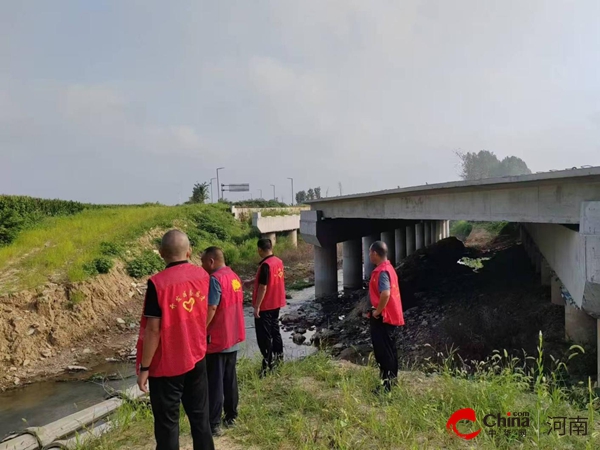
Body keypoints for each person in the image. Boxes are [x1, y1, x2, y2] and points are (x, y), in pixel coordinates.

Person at [136, 230, 214, 450]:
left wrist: (145, 368)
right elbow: (207, 308)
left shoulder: (157, 284)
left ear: (161, 253)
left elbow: (153, 330)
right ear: (189, 252)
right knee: (200, 418)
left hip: (166, 366)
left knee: (168, 425)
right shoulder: (202, 276)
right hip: (197, 357)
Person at [201, 246, 246, 436]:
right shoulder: (234, 277)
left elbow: (211, 307)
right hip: (233, 336)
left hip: (218, 338)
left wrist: (200, 329)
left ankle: (214, 424)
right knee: (230, 379)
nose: (202, 266)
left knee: (215, 383)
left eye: (203, 262)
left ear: (211, 261)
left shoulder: (215, 279)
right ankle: (231, 416)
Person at [367, 240, 405, 393]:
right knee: (390, 350)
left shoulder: (382, 272)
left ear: (375, 253)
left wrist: (377, 311)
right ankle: (391, 382)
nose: (369, 256)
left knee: (383, 352)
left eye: (370, 253)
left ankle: (386, 387)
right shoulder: (389, 268)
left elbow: (386, 293)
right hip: (391, 315)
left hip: (384, 317)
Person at [252, 238, 286, 376]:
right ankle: (279, 360)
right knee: (275, 332)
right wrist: (251, 282)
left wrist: (257, 307)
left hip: (265, 306)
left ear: (260, 249)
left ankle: (267, 365)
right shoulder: (278, 262)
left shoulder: (265, 265)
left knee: (264, 337)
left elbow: (263, 287)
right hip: (276, 303)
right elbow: (270, 280)